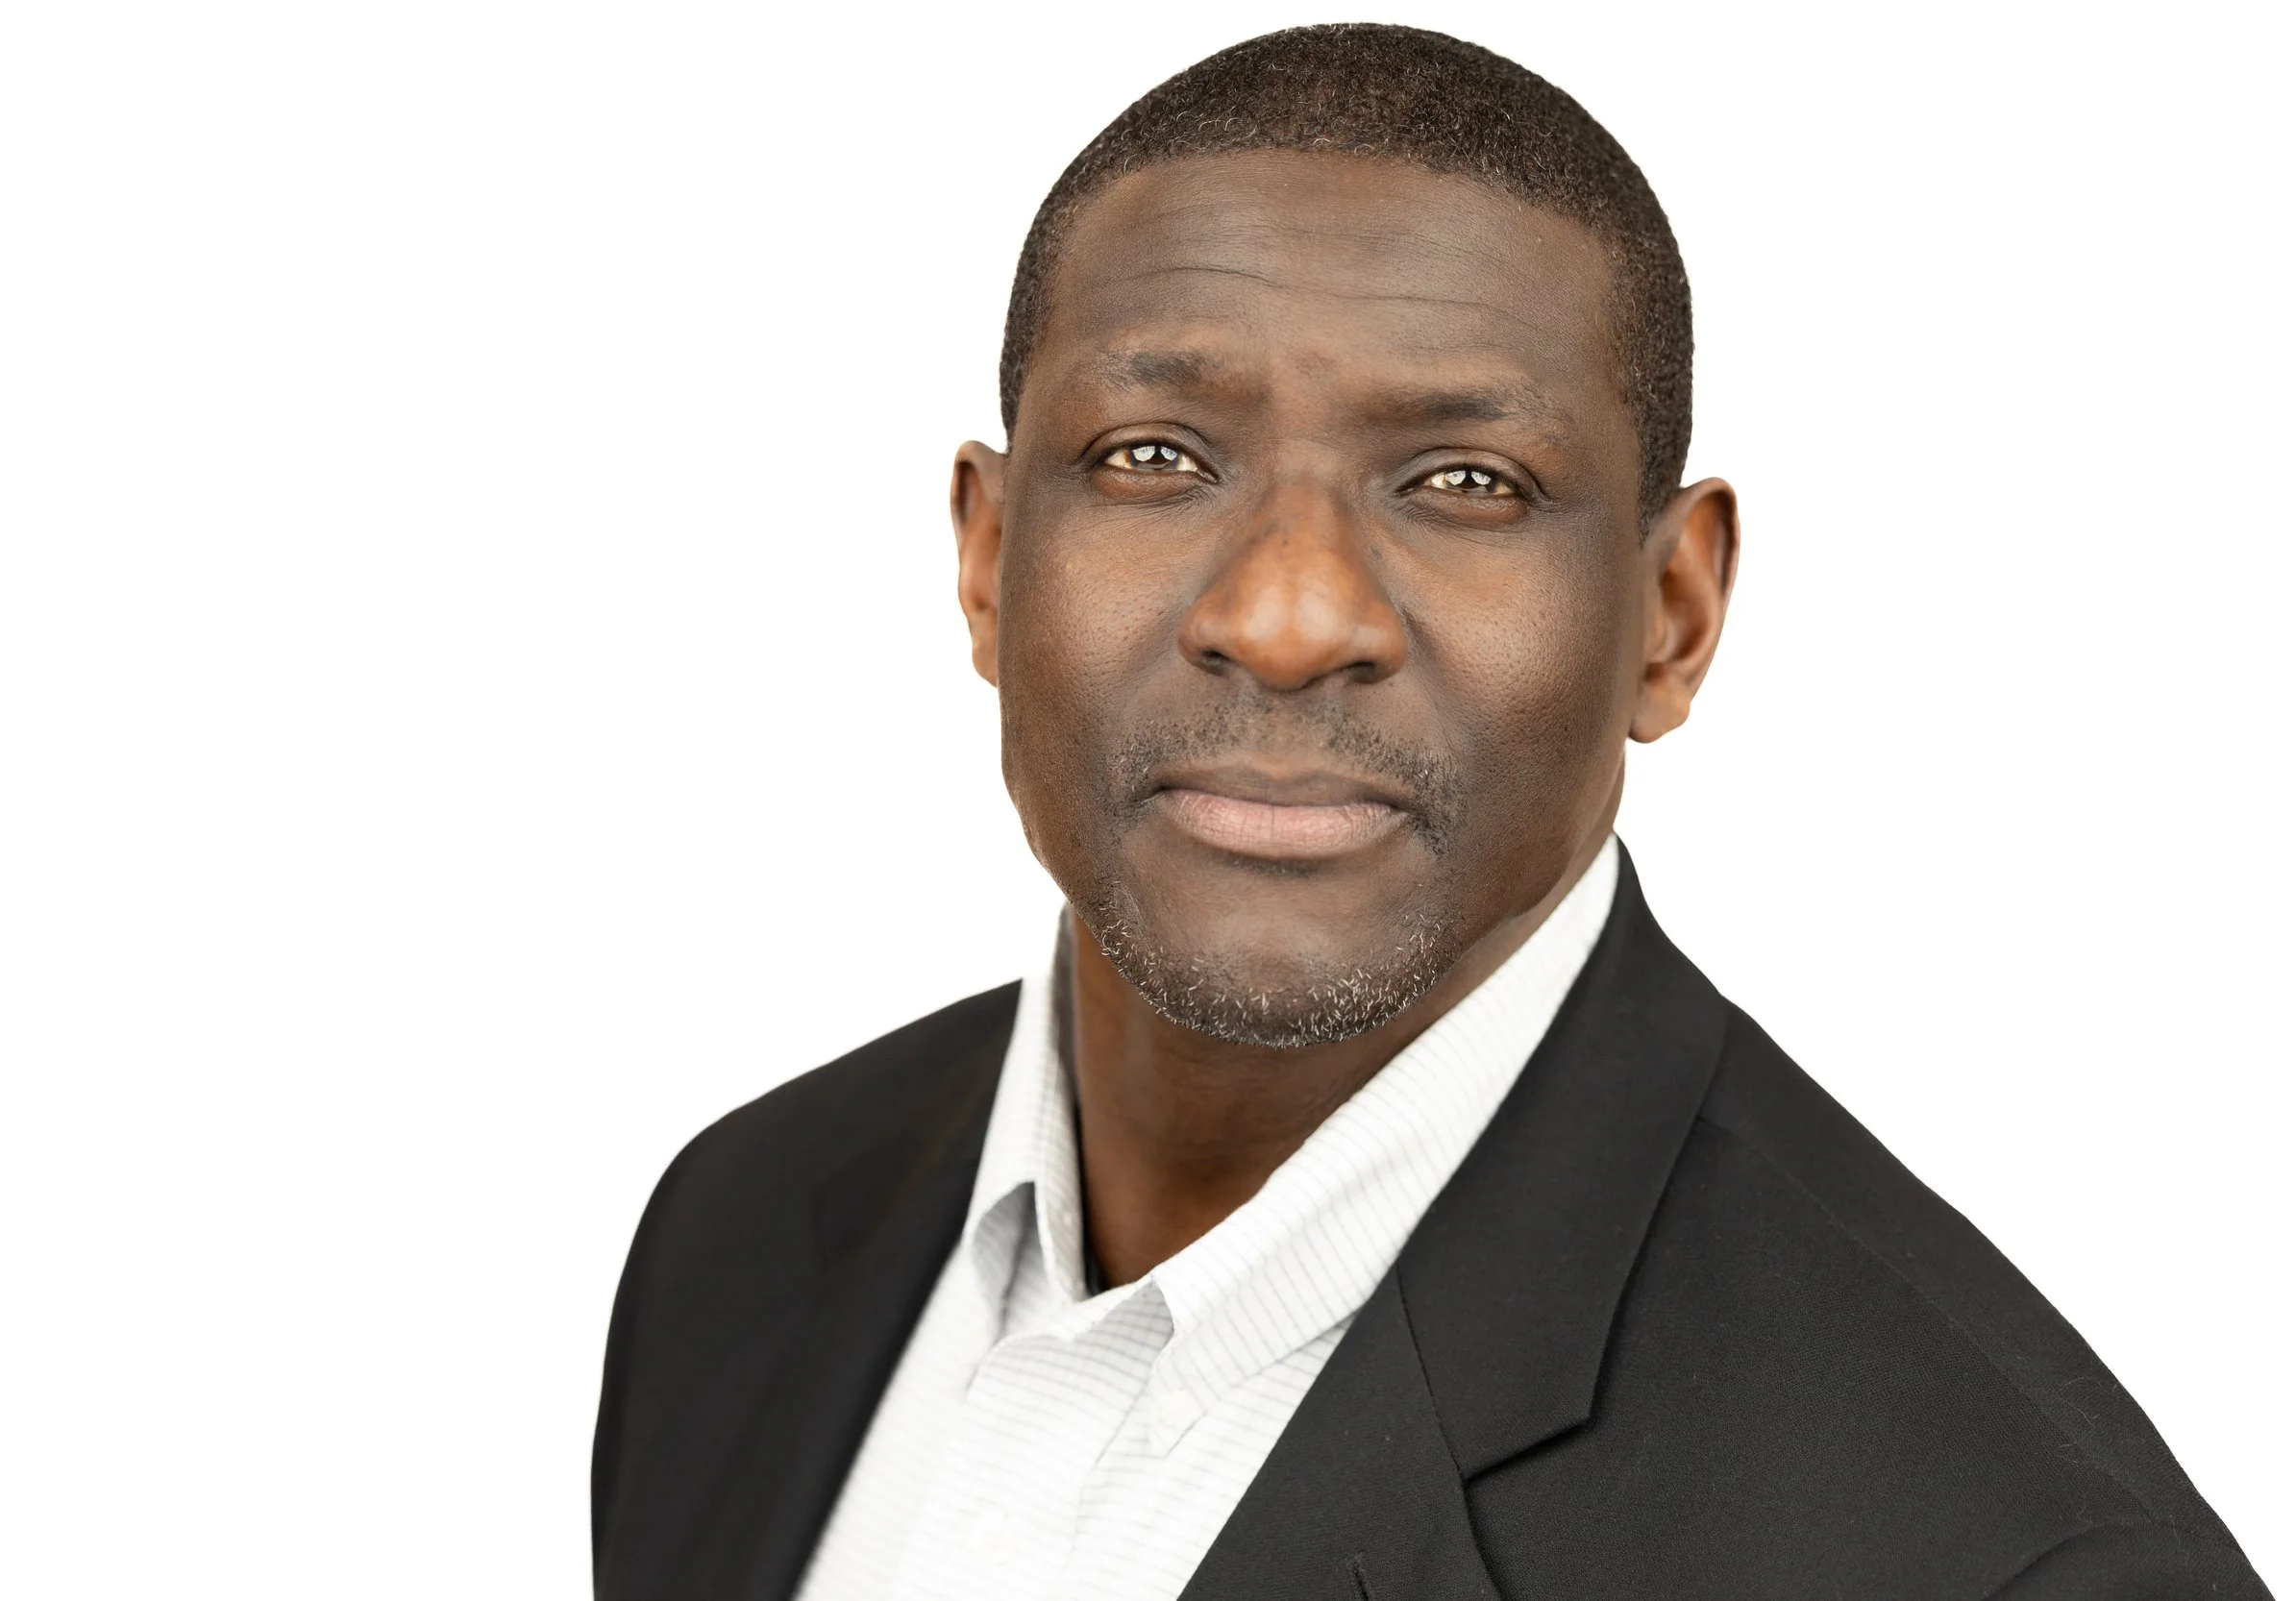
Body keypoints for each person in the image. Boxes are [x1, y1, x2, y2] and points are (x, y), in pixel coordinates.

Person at [588, 23, 2268, 1600]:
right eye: (1155, 456)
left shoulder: (2002, 1558)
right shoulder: (742, 1232)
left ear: (1673, 615)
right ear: (986, 556)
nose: (1289, 615)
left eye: (1468, 481)